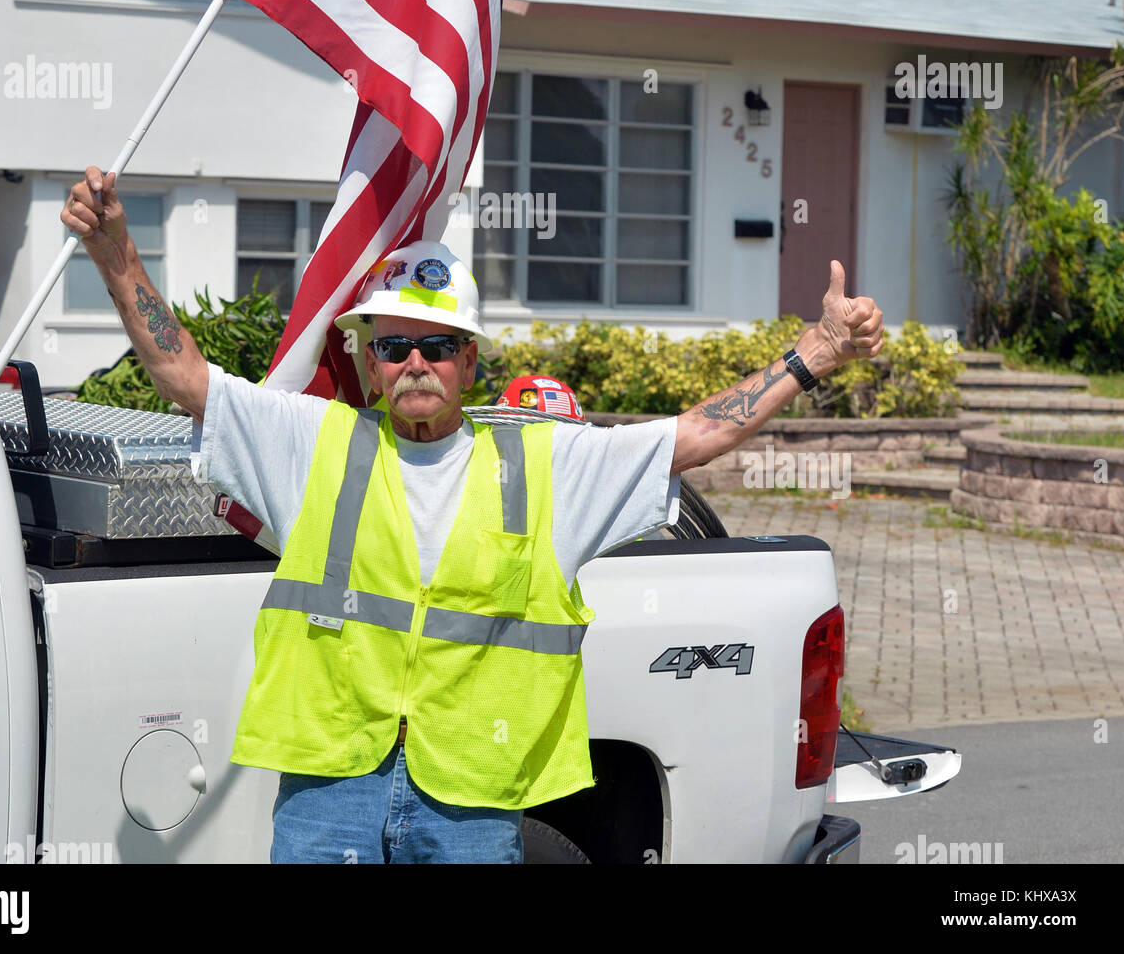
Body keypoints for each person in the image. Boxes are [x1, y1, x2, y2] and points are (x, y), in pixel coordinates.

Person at [61, 165, 884, 865]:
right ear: (368, 362)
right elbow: (185, 377)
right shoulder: (312, 442)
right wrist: (116, 251)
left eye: (437, 345)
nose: (415, 363)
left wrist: (814, 352)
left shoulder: (547, 462)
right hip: (330, 789)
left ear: (470, 360)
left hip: (473, 795)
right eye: (393, 346)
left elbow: (700, 434)